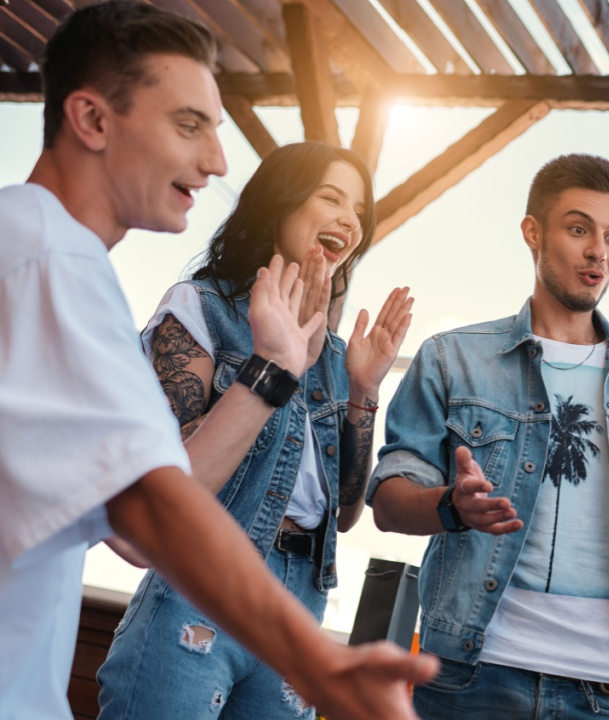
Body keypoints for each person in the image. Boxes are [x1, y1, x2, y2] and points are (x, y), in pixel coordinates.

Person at [0, 3, 434, 719]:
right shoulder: (48, 259)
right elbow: (151, 520)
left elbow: (134, 513)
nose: (218, 161)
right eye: (188, 125)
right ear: (93, 120)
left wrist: (348, 385)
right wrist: (323, 662)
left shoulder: (52, 257)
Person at [367, 153, 609, 719]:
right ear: (532, 232)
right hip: (472, 676)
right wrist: (451, 506)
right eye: (579, 229)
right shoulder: (452, 359)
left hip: (608, 690)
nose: (600, 252)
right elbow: (390, 503)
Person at [96, 141, 414, 719]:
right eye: (330, 196)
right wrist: (276, 364)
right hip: (200, 589)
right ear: (281, 203)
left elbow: (344, 513)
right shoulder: (201, 307)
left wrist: (363, 390)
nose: (349, 217)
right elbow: (176, 481)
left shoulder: (337, 356)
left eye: (358, 209)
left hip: (300, 599)